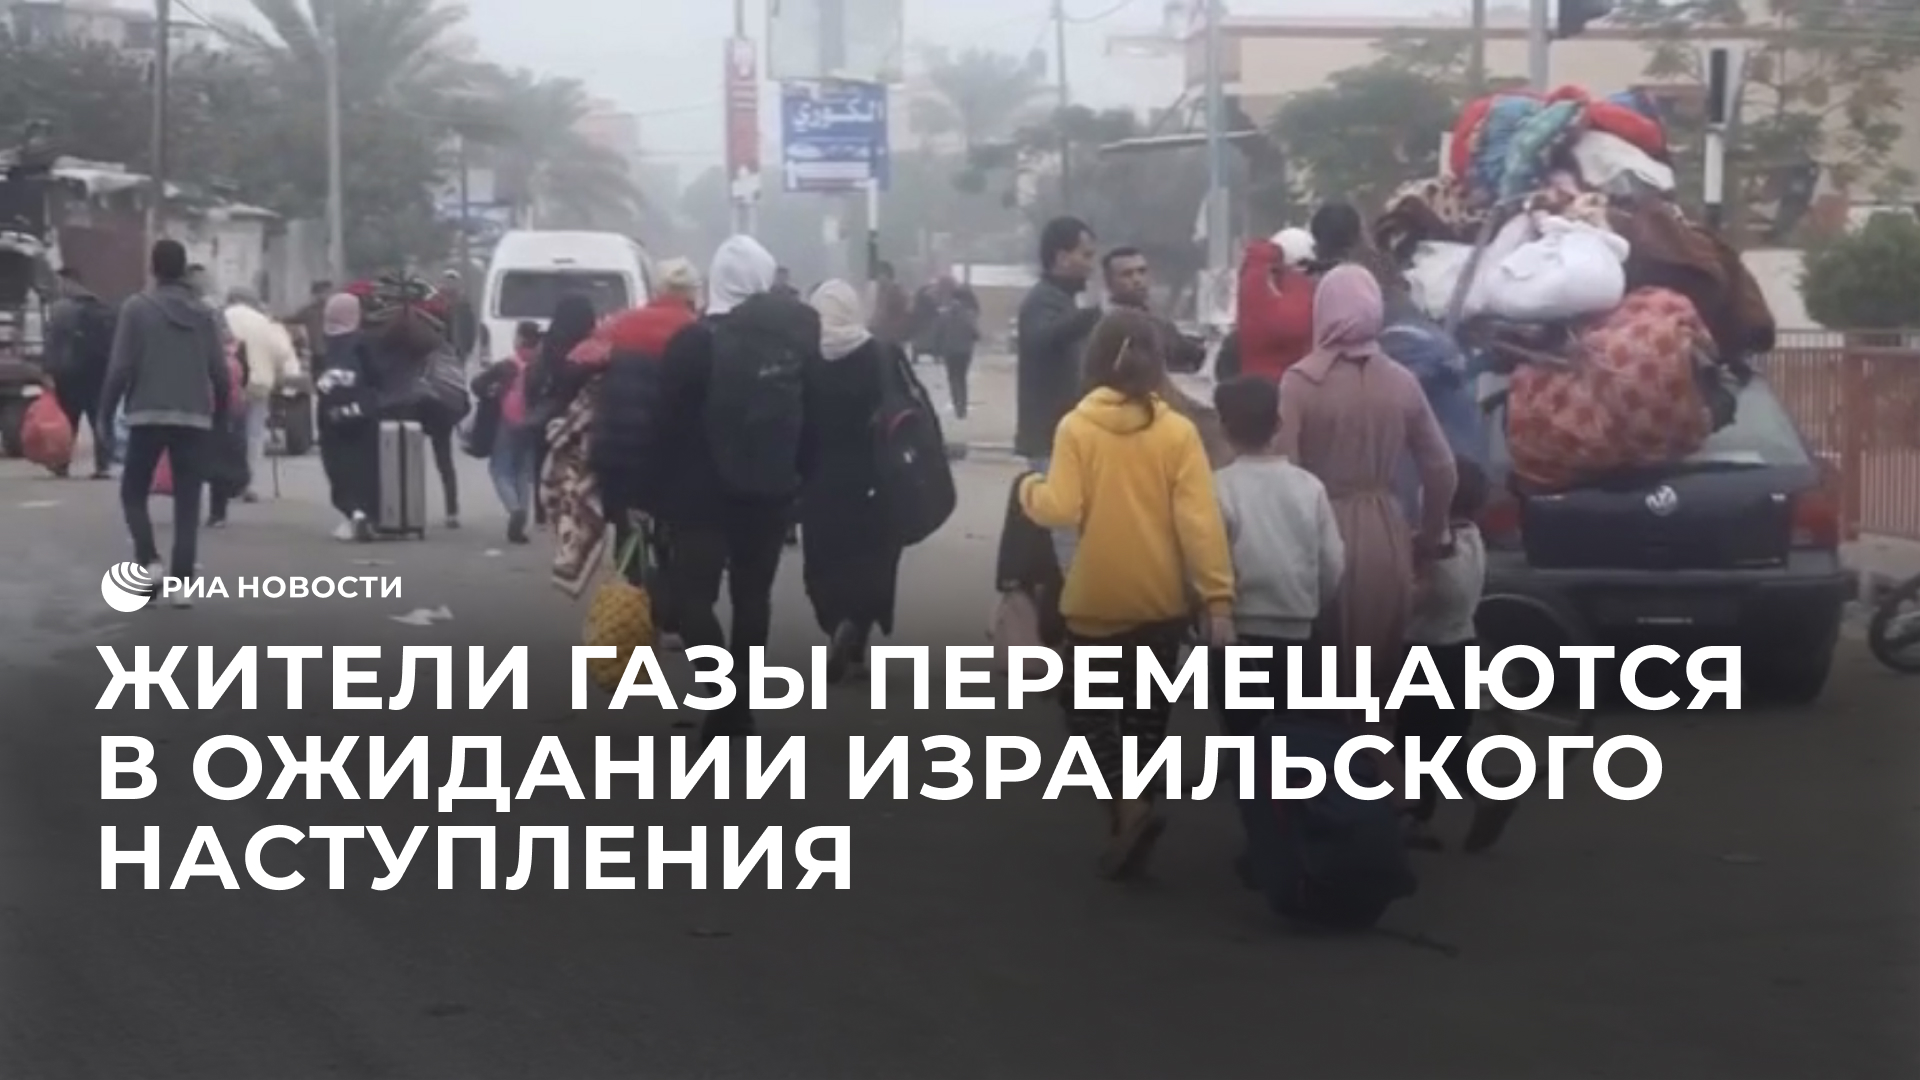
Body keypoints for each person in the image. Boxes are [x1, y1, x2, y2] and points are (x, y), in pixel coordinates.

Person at [1018, 307, 1235, 880]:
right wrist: (1217, 599)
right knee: (1146, 717)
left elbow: (1061, 508)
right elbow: (1200, 523)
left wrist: (1029, 490)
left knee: (1086, 710)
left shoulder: (1076, 427)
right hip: (1161, 602)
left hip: (1096, 599)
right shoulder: (1177, 433)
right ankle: (1134, 808)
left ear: (1094, 361)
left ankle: (1125, 804)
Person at [652, 235, 818, 741]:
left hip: (699, 492)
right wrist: (798, 479)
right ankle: (740, 706)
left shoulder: (692, 343)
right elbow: (811, 418)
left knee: (693, 599)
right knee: (753, 597)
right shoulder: (792, 341)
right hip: (768, 489)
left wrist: (650, 492)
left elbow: (665, 423)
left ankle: (722, 699)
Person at [1276, 264, 1458, 715]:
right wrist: (1430, 536)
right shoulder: (1401, 381)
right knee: (1379, 679)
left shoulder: (1299, 383)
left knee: (1319, 679)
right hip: (1386, 534)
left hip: (1319, 534)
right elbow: (1442, 468)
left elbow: (1286, 474)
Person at [1209, 375, 1345, 739]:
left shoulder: (1217, 487)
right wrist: (1313, 601)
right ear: (1278, 424)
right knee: (1298, 738)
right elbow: (1332, 562)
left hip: (1237, 633)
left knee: (1244, 739)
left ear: (1223, 427)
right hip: (1299, 630)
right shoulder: (1309, 486)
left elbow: (1208, 561)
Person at [98, 239, 230, 608]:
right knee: (188, 502)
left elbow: (120, 367)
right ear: (184, 269)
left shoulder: (137, 308)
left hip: (147, 414)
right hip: (194, 418)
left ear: (153, 268)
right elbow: (220, 373)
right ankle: (183, 585)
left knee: (133, 493)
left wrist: (104, 413)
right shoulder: (205, 314)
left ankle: (149, 561)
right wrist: (220, 417)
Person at [1398, 459, 1514, 853]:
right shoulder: (1471, 537)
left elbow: (1430, 595)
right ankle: (1421, 817)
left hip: (1427, 654)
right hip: (1462, 650)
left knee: (1420, 743)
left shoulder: (1438, 550)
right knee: (1439, 742)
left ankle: (1479, 798)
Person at [801, 280, 907, 684]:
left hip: (822, 477)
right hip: (878, 474)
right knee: (874, 557)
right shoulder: (881, 353)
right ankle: (858, 632)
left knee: (825, 559)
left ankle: (836, 623)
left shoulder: (808, 358)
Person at [594, 257, 701, 639]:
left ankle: (632, 611)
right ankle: (671, 616)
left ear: (656, 288)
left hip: (619, 449)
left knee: (628, 533)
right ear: (691, 292)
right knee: (674, 537)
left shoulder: (622, 325)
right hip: (671, 454)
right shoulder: (695, 332)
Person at [1015, 216, 1103, 571]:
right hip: (1050, 438)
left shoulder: (1063, 301)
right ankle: (1078, 601)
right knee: (1067, 535)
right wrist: (1095, 314)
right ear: (1062, 257)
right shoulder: (1041, 302)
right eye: (1085, 254)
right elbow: (1042, 339)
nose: (1090, 264)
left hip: (1069, 435)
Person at [1102, 246, 1229, 465]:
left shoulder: (1152, 317)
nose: (1137, 280)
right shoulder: (1112, 326)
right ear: (1109, 283)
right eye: (1127, 274)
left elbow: (1184, 351)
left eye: (1142, 272)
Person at [524, 293, 600, 528]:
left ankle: (541, 509)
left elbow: (532, 379)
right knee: (578, 461)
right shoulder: (591, 346)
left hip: (548, 412)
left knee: (541, 460)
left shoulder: (548, 343)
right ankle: (576, 504)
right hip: (580, 414)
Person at [222, 286, 298, 503]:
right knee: (254, 434)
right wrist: (286, 382)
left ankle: (224, 479)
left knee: (225, 431)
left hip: (226, 382)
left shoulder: (220, 317)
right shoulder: (265, 322)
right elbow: (283, 352)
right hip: (258, 384)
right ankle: (248, 482)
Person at [314, 292, 378, 540]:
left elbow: (317, 381)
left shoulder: (323, 345)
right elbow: (377, 376)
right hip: (362, 414)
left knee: (337, 466)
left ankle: (352, 512)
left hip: (331, 416)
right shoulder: (364, 342)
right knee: (363, 465)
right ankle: (365, 512)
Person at [44, 267, 117, 478]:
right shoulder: (101, 306)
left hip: (70, 373)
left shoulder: (61, 309)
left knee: (69, 418)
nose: (58, 286)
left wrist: (48, 369)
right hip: (98, 370)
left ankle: (62, 463)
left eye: (60, 282)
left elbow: (54, 342)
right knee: (98, 417)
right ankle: (103, 464)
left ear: (68, 282)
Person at [474, 320, 543, 543]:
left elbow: (477, 384)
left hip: (507, 421)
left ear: (520, 339)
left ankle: (514, 509)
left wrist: (491, 392)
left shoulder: (507, 365)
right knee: (523, 472)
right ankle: (522, 519)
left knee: (500, 470)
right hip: (532, 424)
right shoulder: (541, 367)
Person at [1234, 229, 1318, 381]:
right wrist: (1303, 285)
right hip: (1280, 384)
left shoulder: (1253, 285)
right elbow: (1295, 325)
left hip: (1257, 383)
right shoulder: (1266, 296)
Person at [926, 273, 979, 419]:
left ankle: (957, 405)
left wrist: (936, 351)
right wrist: (972, 338)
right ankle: (962, 407)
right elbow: (975, 333)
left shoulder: (944, 314)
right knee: (962, 378)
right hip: (965, 351)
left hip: (949, 351)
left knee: (953, 378)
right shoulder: (968, 315)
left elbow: (938, 333)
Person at [438, 269, 480, 362]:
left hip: (457, 355)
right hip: (439, 354)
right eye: (447, 283)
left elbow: (470, 333)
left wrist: (466, 350)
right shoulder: (435, 306)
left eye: (452, 283)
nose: (449, 286)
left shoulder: (465, 310)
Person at [868, 260, 913, 346]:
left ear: (886, 275)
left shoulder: (897, 291)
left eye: (878, 275)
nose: (876, 279)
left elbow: (902, 314)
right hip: (884, 335)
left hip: (893, 337)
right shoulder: (881, 291)